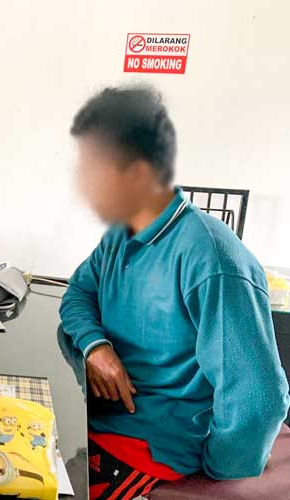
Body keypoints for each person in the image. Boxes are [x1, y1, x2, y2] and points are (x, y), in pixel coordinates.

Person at [60, 85, 289, 499]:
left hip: (152, 442)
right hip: (100, 415)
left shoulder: (212, 261)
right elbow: (77, 294)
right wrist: (96, 346)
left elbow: (260, 400)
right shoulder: (120, 236)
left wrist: (215, 475)